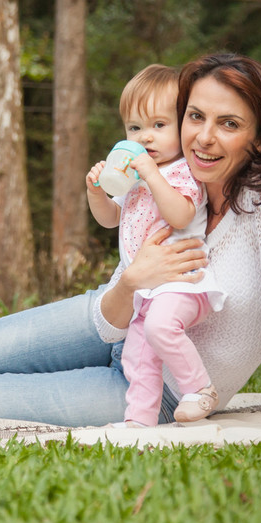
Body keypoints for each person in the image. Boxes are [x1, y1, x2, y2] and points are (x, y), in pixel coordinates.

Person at [0, 52, 261, 430]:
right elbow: (120, 240)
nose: (204, 137)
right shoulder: (172, 172)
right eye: (195, 117)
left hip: (153, 391)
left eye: (229, 124)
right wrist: (131, 278)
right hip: (110, 317)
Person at [86, 65, 225, 427]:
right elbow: (110, 219)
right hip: (148, 291)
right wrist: (96, 192)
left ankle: (201, 389)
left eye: (158, 126)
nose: (145, 138)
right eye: (135, 128)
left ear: (183, 127)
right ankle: (140, 422)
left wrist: (150, 174)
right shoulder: (134, 178)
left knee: (161, 327)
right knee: (137, 356)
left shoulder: (182, 173)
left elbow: (180, 215)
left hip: (182, 284)